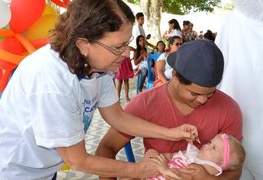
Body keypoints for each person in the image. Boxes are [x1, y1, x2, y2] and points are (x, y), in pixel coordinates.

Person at [0, 0, 200, 179]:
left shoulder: (97, 66)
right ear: (84, 44)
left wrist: (171, 133)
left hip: (43, 169)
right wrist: (140, 170)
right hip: (13, 170)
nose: (125, 54)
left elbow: (117, 117)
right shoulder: (51, 80)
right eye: (118, 47)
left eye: (127, 44)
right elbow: (78, 160)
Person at [96, 40, 243, 180]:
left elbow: (234, 170)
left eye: (210, 93)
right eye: (195, 93)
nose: (203, 100)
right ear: (175, 76)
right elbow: (106, 148)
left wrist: (206, 178)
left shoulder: (229, 109)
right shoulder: (146, 103)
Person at [215, 0, 263, 179]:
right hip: (232, 125)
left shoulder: (232, 20)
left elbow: (217, 71)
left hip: (231, 124)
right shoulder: (232, 20)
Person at [145, 133, 246, 180]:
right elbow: (172, 156)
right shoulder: (194, 152)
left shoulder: (210, 167)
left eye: (213, 148)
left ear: (221, 163)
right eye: (210, 142)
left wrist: (165, 169)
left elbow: (183, 176)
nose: (207, 146)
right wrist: (158, 156)